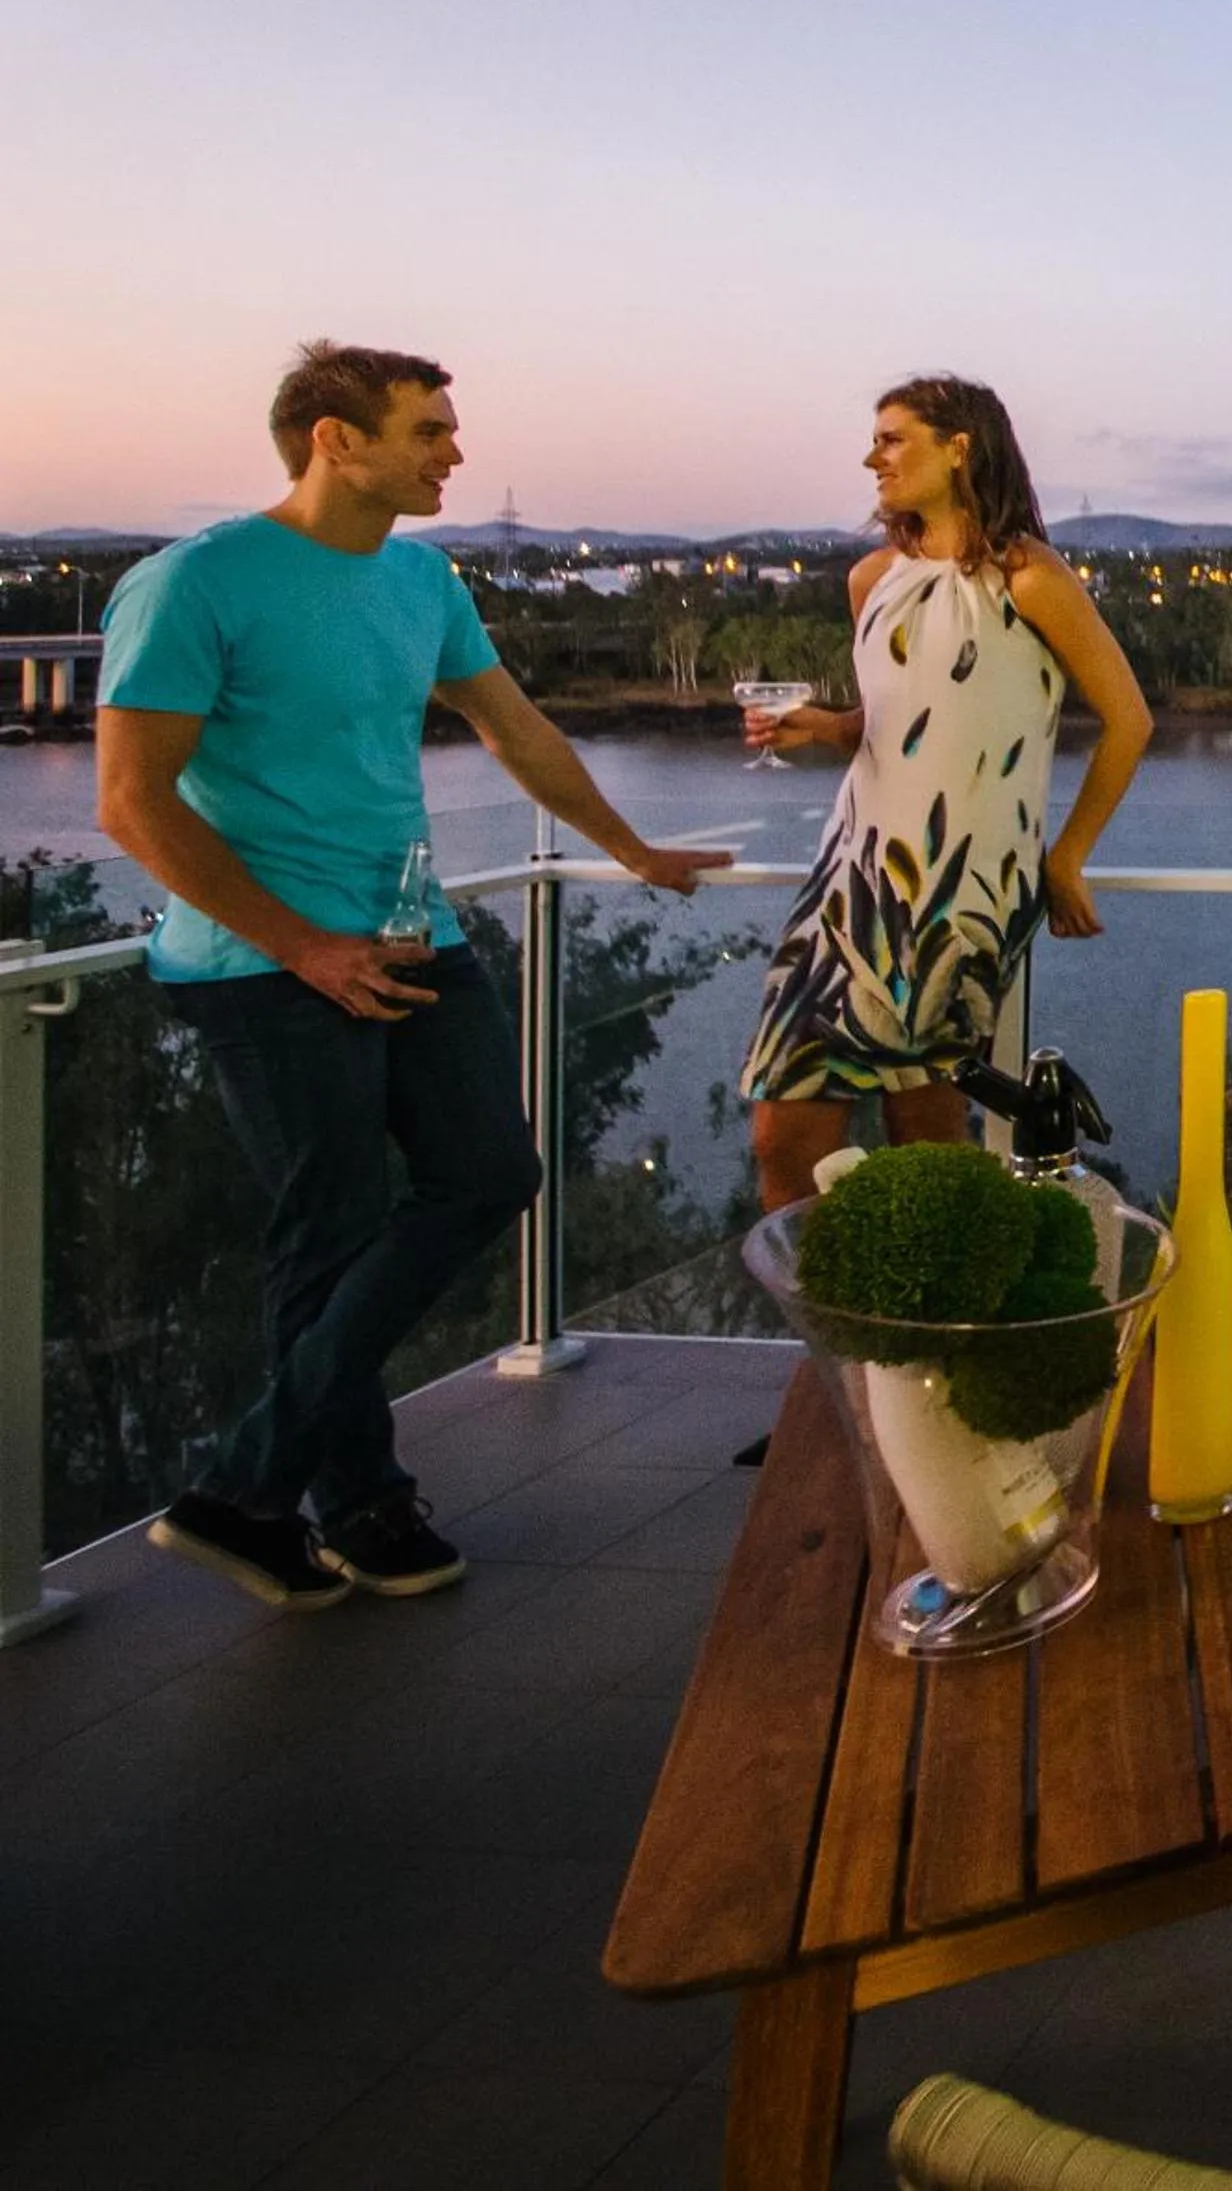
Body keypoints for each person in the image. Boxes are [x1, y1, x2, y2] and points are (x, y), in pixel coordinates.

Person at [96, 343, 730, 1610]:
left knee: (492, 1169)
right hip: (262, 964)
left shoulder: (422, 577)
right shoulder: (197, 582)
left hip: (409, 933)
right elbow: (130, 801)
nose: (454, 451)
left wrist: (631, 849)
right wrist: (303, 946)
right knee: (325, 1238)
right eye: (429, 429)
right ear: (336, 438)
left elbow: (516, 728)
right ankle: (357, 1506)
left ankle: (247, 1484)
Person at [739, 375, 1149, 1208]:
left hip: (957, 889)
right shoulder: (872, 579)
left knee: (924, 1142)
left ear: (960, 446)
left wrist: (1068, 856)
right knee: (783, 1141)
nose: (871, 457)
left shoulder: (1028, 578)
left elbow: (1130, 720)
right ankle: (839, 1331)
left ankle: (923, 1337)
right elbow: (896, 720)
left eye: (892, 439)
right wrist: (822, 726)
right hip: (848, 882)